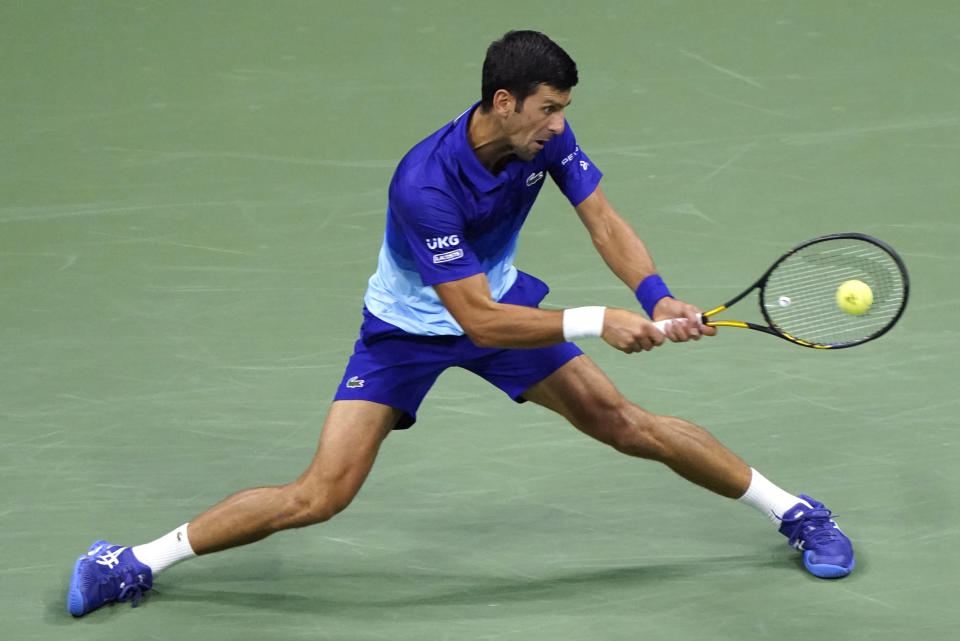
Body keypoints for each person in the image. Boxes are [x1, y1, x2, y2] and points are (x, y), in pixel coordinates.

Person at [66, 30, 853, 617]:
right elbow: (471, 317)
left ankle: (795, 510)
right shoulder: (425, 184)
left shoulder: (547, 139)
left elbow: (602, 218)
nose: (558, 124)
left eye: (564, 111)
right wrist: (595, 319)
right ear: (502, 103)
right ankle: (131, 560)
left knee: (624, 421)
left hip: (502, 304)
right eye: (547, 109)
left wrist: (654, 294)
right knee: (319, 495)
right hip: (407, 332)